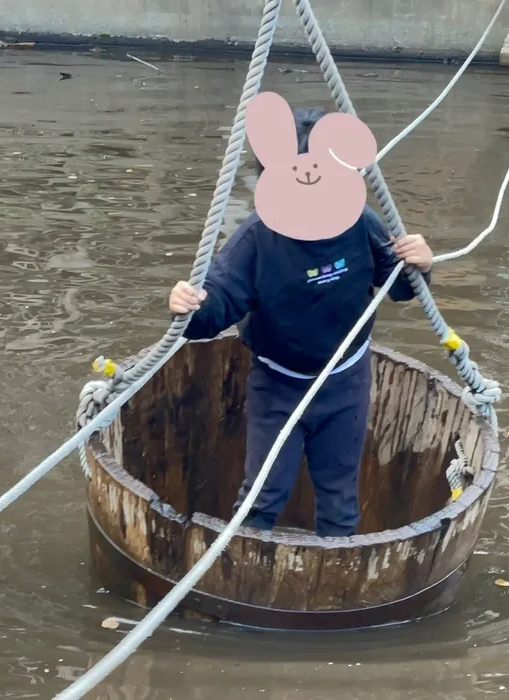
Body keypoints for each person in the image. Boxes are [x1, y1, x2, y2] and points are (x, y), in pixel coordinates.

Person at [168, 107, 433, 538]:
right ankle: (242, 588)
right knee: (261, 498)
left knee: (339, 499)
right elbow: (211, 312)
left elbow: (401, 287)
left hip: (345, 381)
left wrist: (420, 262)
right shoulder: (256, 238)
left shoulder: (360, 222)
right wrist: (186, 305)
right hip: (279, 383)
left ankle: (337, 589)